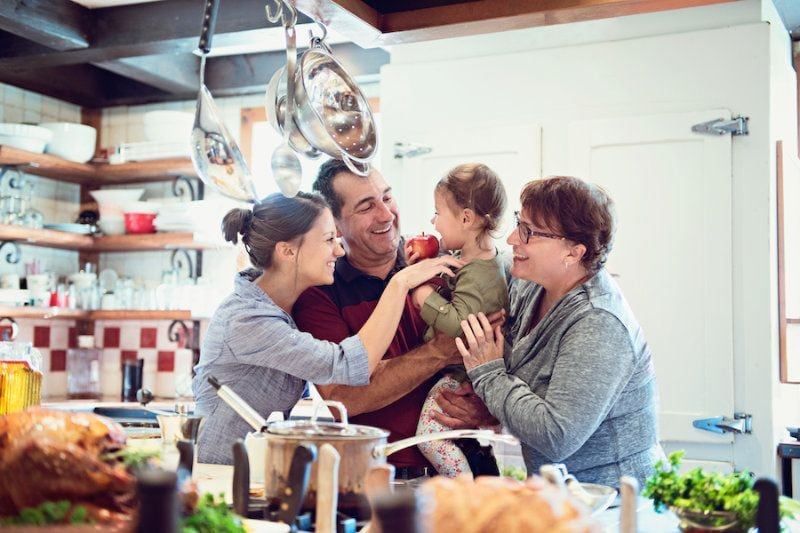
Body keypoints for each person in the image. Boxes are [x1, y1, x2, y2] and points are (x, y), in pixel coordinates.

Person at [192, 192, 463, 464]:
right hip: (217, 473)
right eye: (328, 240)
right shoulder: (248, 320)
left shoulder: (284, 309)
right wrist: (399, 283)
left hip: (249, 471)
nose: (339, 250)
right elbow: (348, 366)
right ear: (287, 251)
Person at [293, 160, 499, 478]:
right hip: (387, 478)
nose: (386, 215)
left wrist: (487, 407)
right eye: (366, 207)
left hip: (473, 465)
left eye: (387, 197)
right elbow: (342, 397)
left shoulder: (443, 259)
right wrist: (441, 350)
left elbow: (497, 348)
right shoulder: (319, 294)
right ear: (334, 222)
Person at [455, 176, 664, 488]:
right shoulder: (529, 283)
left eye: (529, 232)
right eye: (518, 223)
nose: (513, 239)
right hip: (561, 495)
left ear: (573, 253)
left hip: (614, 503)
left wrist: (487, 374)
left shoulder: (599, 322)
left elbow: (556, 436)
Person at [408, 163, 509, 478]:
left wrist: (422, 294)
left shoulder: (480, 274)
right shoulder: (480, 260)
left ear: (466, 218)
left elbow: (457, 326)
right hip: (464, 369)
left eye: (438, 212)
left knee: (429, 436)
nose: (433, 221)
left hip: (461, 373)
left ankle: (462, 487)